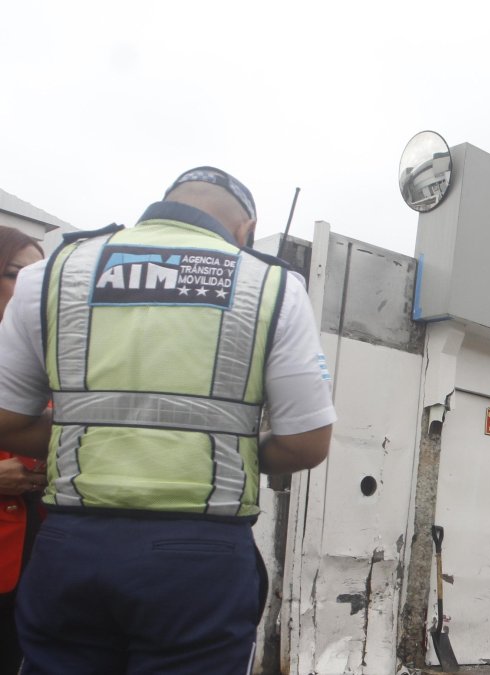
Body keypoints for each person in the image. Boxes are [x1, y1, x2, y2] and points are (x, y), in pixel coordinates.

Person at [0, 167, 336, 674]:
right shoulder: (272, 286)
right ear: (247, 226)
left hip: (73, 543)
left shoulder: (51, 272)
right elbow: (307, 444)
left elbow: (7, 420)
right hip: (198, 557)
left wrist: (97, 430)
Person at [0, 227, 45, 673]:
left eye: (42, 276)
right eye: (20, 274)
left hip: (33, 565)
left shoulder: (49, 359)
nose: (34, 287)